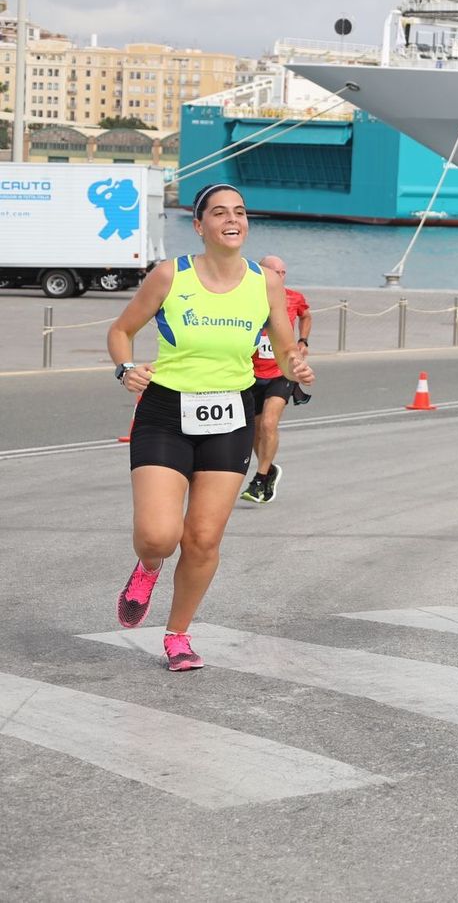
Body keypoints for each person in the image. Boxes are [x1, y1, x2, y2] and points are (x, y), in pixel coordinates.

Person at [106, 183, 314, 671]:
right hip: (164, 413)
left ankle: (177, 635)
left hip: (230, 416)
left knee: (202, 539)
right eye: (219, 212)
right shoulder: (169, 275)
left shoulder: (265, 282)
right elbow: (121, 331)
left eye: (239, 212)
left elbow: (285, 347)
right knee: (159, 534)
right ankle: (149, 566)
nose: (232, 219)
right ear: (199, 226)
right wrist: (125, 368)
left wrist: (296, 366)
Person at [240, 255, 311, 504]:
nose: (281, 277)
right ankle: (269, 470)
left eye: (283, 272)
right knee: (254, 433)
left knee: (269, 424)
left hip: (281, 373)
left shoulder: (292, 297)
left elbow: (306, 315)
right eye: (276, 272)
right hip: (250, 374)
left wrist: (303, 340)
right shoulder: (245, 297)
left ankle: (259, 479)